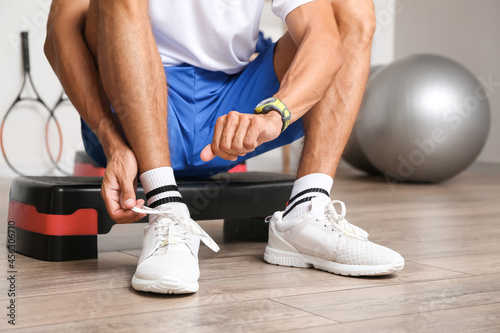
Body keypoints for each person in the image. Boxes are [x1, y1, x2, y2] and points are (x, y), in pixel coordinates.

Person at [44, 0, 404, 294]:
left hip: (230, 110)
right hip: (130, 113)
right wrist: (111, 139)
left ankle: (306, 208)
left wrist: (276, 112)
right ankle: (166, 207)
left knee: (351, 10)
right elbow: (60, 32)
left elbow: (322, 38)